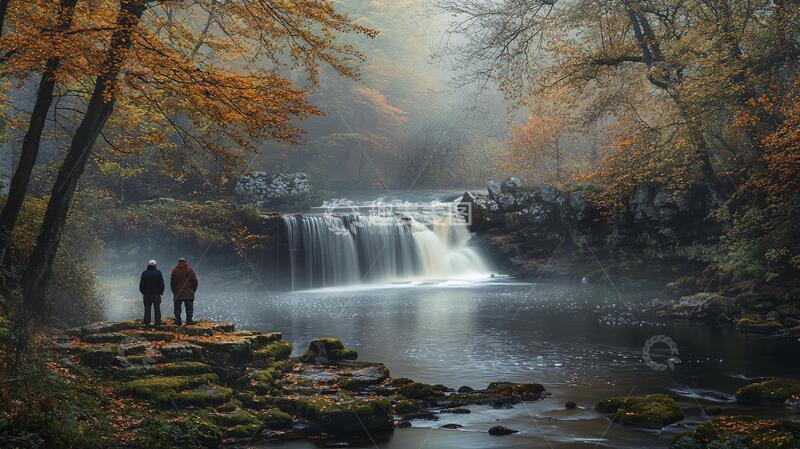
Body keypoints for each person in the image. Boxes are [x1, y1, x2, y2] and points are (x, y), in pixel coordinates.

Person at [170, 257, 198, 325]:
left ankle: (178, 321)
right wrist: (193, 290)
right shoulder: (190, 270)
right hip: (189, 293)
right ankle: (189, 321)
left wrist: (174, 291)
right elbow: (195, 281)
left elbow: (172, 282)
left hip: (178, 293)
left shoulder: (174, 270)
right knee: (189, 308)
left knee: (177, 308)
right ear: (185, 262)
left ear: (178, 262)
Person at [139, 259, 165, 326]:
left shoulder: (144, 273)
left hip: (147, 294)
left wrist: (143, 292)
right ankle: (158, 322)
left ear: (148, 265)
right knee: (157, 308)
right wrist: (161, 292)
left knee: (147, 308)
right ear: (155, 265)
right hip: (156, 294)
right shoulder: (158, 272)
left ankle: (147, 322)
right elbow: (162, 284)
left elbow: (141, 284)